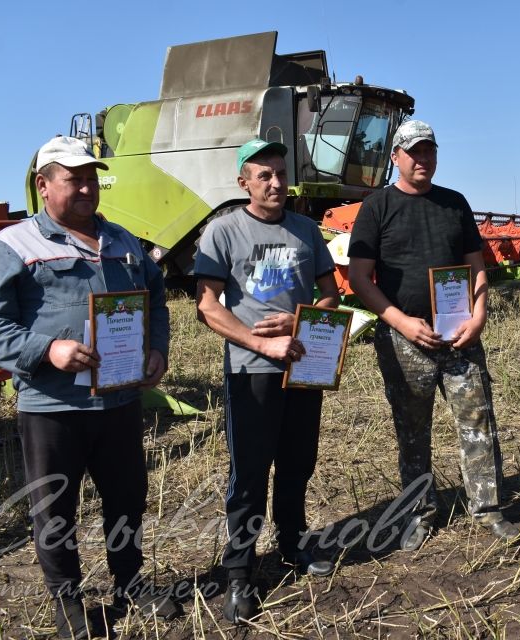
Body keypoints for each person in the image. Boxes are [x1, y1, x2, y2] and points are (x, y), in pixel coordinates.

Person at [0, 136, 179, 638]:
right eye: (72, 178)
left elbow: (158, 302)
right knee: (55, 507)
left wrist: (157, 350)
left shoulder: (123, 241)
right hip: (53, 405)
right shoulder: (13, 244)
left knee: (126, 496)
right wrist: (47, 351)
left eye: (90, 177)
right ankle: (67, 599)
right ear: (43, 186)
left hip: (120, 397)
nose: (86, 187)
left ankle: (130, 582)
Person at [347, 120, 520, 551]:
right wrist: (401, 322)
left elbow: (476, 264)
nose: (423, 160)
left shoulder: (453, 204)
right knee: (412, 428)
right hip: (405, 338)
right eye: (414, 152)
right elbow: (360, 278)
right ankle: (418, 513)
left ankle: (487, 508)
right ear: (396, 158)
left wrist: (478, 315)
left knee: (477, 420)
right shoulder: (377, 208)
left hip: (459, 332)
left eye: (429, 152)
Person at [194, 138, 340, 624]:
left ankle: (293, 544)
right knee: (250, 473)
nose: (276, 183)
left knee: (298, 462)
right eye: (264, 176)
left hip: (305, 366)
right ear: (244, 183)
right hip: (250, 372)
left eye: (280, 173)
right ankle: (240, 571)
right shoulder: (222, 232)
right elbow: (208, 307)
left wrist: (298, 324)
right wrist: (263, 344)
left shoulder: (307, 231)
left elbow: (329, 298)